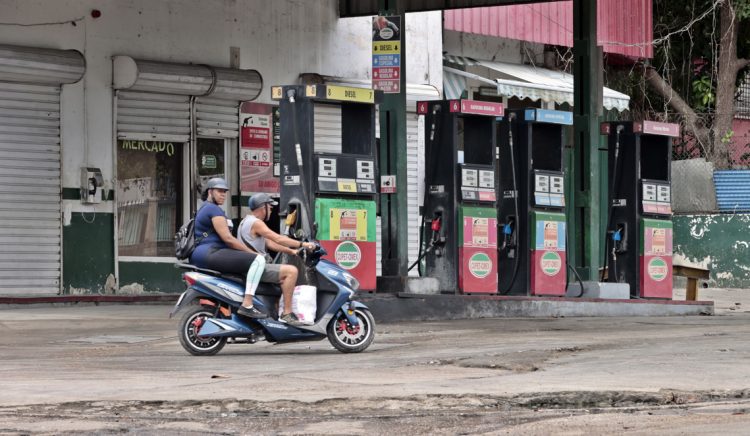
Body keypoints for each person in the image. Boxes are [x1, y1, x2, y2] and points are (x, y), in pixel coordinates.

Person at [190, 178, 275, 321]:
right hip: (210, 253)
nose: (223, 194)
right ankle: (247, 304)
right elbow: (228, 239)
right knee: (258, 260)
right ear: (210, 192)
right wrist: (252, 253)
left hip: (205, 253)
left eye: (225, 192)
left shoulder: (206, 208)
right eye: (219, 191)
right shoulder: (213, 209)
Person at [238, 193, 315, 325]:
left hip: (251, 265)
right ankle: (287, 314)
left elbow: (270, 243)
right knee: (291, 271)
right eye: (270, 207)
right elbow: (277, 238)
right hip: (256, 267)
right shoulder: (256, 223)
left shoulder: (245, 221)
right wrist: (303, 244)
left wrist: (291, 251)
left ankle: (273, 313)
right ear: (263, 207)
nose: (272, 210)